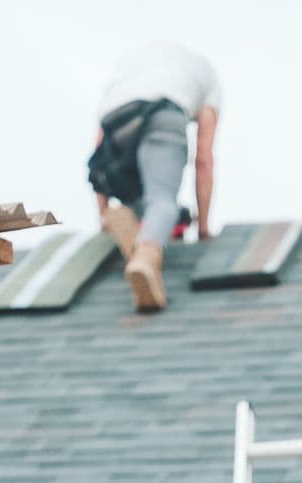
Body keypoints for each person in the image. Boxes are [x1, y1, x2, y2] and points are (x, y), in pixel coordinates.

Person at [93, 42, 221, 311]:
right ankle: (146, 258)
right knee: (162, 199)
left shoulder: (130, 69)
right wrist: (205, 228)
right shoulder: (208, 79)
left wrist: (103, 214)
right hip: (162, 114)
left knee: (139, 193)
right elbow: (204, 159)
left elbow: (98, 156)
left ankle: (136, 222)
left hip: (116, 120)